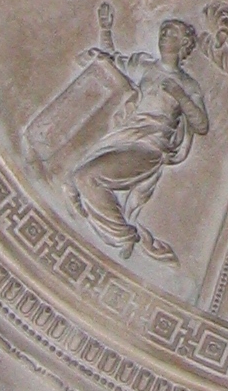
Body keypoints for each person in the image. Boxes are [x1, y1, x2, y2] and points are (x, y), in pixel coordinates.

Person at [67, 17, 210, 264]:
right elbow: (112, 62)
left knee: (85, 177)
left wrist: (180, 96)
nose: (164, 35)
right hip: (122, 136)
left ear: (184, 44)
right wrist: (104, 30)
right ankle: (97, 218)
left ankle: (123, 235)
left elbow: (201, 124)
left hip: (148, 147)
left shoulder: (188, 84)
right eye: (164, 30)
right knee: (73, 182)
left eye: (172, 33)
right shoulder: (144, 65)